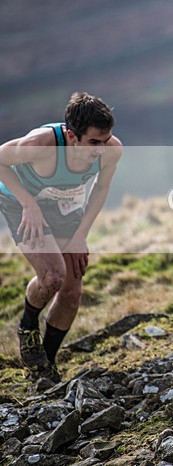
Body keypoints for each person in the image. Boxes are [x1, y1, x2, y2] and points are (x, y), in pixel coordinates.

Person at [0, 92, 122, 382]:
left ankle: (44, 367)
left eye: (105, 141)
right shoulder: (40, 144)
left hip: (63, 205)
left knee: (71, 291)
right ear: (71, 136)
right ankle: (28, 326)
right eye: (93, 143)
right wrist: (28, 203)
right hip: (22, 203)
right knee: (53, 276)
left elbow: (100, 190)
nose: (101, 150)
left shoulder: (112, 150)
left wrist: (81, 236)